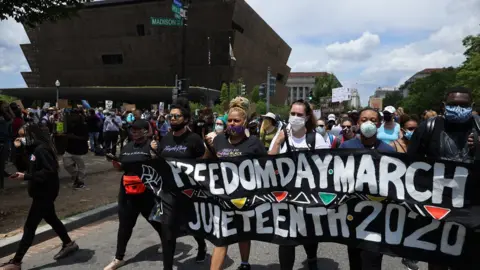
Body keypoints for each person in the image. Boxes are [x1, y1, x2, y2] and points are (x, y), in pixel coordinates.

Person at [408, 87, 479, 270]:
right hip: (438, 206)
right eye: (453, 104)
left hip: (472, 207)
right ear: (444, 106)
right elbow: (410, 164)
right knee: (438, 258)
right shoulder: (429, 127)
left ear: (471, 106)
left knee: (468, 258)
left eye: (463, 105)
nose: (458, 108)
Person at [0, 124, 79, 270]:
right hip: (40, 192)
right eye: (19, 136)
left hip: (45, 193)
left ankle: (16, 262)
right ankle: (69, 244)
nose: (21, 139)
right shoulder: (33, 150)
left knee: (30, 226)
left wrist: (26, 176)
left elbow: (49, 173)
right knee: (52, 219)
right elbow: (23, 166)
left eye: (23, 136)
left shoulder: (42, 150)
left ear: (32, 135)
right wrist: (18, 150)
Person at [206, 97, 267, 270]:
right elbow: (205, 163)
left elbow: (266, 167)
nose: (232, 123)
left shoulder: (254, 143)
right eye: (230, 120)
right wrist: (207, 147)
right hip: (223, 198)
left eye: (237, 120)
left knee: (243, 232)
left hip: (244, 198)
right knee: (221, 238)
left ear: (245, 122)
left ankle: (245, 263)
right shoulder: (218, 141)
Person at [269, 100, 328, 270]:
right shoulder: (280, 136)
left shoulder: (315, 138)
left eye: (299, 115)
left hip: (309, 196)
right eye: (292, 114)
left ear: (307, 117)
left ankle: (312, 260)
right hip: (286, 197)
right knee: (286, 238)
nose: (295, 117)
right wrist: (278, 143)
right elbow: (268, 164)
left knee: (309, 233)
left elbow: (327, 165)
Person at [150, 99, 208, 270]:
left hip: (189, 191)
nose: (172, 119)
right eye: (170, 116)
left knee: (193, 225)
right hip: (168, 192)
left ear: (186, 119)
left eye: (176, 116)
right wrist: (153, 152)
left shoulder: (194, 139)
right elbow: (159, 161)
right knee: (168, 230)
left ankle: (201, 245)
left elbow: (203, 163)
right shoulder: (166, 138)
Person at [103, 119, 163, 270]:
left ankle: (169, 246)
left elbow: (160, 166)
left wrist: (154, 154)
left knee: (158, 223)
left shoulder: (152, 145)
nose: (134, 132)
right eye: (132, 130)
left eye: (137, 130)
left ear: (145, 131)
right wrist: (115, 163)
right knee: (125, 226)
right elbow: (122, 167)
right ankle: (119, 258)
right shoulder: (127, 146)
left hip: (147, 192)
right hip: (127, 192)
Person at [340, 108, 395, 270]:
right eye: (364, 120)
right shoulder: (345, 147)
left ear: (379, 124)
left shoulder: (388, 151)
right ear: (358, 123)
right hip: (352, 215)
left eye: (372, 120)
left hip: (378, 217)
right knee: (355, 259)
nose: (368, 123)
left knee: (372, 260)